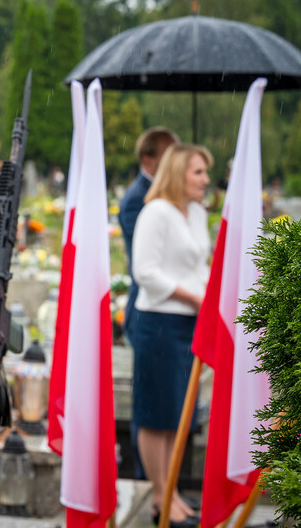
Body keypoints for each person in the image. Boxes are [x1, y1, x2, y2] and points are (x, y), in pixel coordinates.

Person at [130, 143, 213, 526]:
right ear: (179, 172)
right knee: (155, 413)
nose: (205, 180)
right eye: (198, 172)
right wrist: (193, 298)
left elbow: (199, 263)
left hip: (189, 324)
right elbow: (144, 272)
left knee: (176, 414)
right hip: (159, 323)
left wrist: (213, 296)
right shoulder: (156, 212)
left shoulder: (195, 212)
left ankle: (173, 491)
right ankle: (159, 497)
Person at [117, 127, 178, 480]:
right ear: (148, 160)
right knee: (151, 403)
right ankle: (148, 482)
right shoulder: (138, 198)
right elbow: (150, 262)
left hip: (170, 314)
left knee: (168, 404)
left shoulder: (163, 195)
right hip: (148, 313)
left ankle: (166, 482)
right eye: (168, 155)